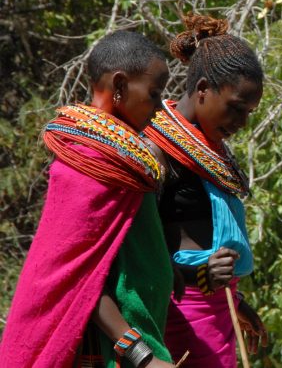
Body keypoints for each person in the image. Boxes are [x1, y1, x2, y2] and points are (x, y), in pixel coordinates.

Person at [0, 30, 177, 368]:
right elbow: (80, 280)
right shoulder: (88, 166)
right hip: (100, 349)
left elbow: (124, 246)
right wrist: (141, 354)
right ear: (121, 85)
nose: (159, 107)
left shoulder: (123, 162)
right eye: (154, 94)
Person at [145, 15, 268, 367]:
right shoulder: (156, 150)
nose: (242, 123)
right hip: (178, 313)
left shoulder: (210, 151)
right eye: (236, 108)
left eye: (250, 113)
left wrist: (235, 299)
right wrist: (196, 275)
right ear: (202, 90)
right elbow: (137, 248)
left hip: (218, 309)